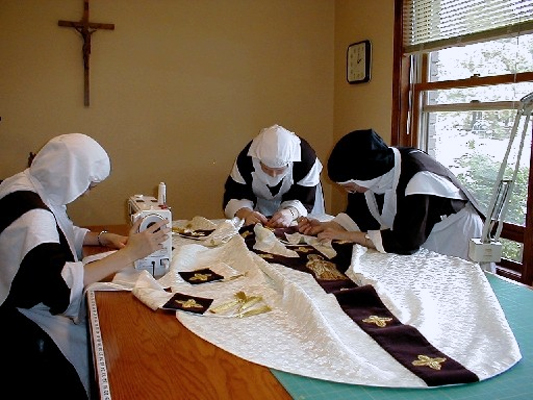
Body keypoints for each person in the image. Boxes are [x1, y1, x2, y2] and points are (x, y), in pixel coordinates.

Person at [0, 133, 170, 399]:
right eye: (88, 184)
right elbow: (59, 287)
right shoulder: (34, 217)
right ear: (69, 174)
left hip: (27, 300)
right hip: (24, 321)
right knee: (111, 348)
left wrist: (104, 238)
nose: (88, 192)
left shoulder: (27, 185)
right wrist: (130, 253)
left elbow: (60, 233)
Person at [298, 128, 485, 263]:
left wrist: (347, 235)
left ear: (363, 179)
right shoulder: (373, 174)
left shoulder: (418, 179)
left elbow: (405, 241)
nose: (350, 192)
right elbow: (359, 215)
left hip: (454, 235)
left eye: (351, 187)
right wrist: (328, 226)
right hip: (423, 235)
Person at [223, 124, 325, 228]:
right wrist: (246, 213)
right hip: (259, 203)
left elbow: (305, 199)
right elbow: (235, 194)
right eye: (266, 169)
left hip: (299, 202)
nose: (273, 175)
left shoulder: (306, 159)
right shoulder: (245, 160)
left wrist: (291, 213)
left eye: (279, 170)